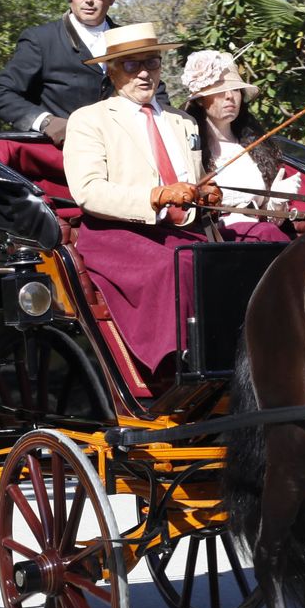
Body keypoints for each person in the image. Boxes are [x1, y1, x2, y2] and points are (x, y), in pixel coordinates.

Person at [64, 22, 208, 382]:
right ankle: (173, 367)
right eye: (131, 65)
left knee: (236, 260)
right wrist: (155, 196)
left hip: (186, 231)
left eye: (153, 63)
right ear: (111, 70)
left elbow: (198, 176)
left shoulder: (184, 122)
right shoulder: (88, 121)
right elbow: (88, 191)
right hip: (116, 235)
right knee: (180, 265)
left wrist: (208, 191)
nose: (144, 73)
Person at [0, 0, 163, 146]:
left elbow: (156, 91)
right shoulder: (41, 40)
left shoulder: (129, 38)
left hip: (127, 152)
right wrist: (46, 122)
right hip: (60, 159)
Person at [181, 49, 303, 242]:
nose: (230, 96)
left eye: (236, 90)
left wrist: (277, 202)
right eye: (220, 90)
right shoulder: (188, 150)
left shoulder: (257, 148)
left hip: (261, 238)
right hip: (218, 243)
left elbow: (271, 221)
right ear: (201, 100)